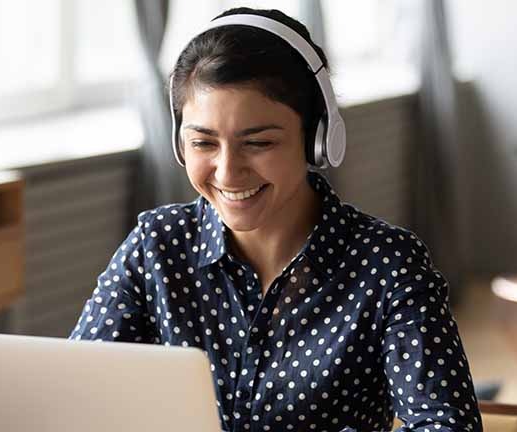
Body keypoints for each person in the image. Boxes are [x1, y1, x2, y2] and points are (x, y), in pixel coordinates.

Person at [71, 7, 483, 432]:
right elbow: (74, 393)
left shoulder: (387, 265)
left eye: (260, 142)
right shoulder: (156, 246)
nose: (228, 172)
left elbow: (446, 424)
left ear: (318, 138)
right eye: (203, 142)